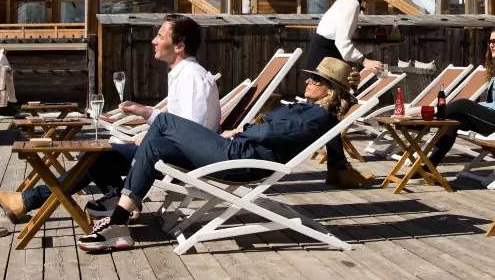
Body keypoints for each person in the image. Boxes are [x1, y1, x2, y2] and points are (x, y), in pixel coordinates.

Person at [77, 57, 355, 251]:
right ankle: (121, 219)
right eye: (311, 76)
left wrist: (240, 131)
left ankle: (119, 215)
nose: (308, 80)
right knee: (155, 145)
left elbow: (271, 132)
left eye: (316, 79)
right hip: (238, 151)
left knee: (164, 122)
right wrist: (244, 130)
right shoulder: (309, 110)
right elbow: (271, 129)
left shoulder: (318, 117)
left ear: (330, 89)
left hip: (241, 159)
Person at [0, 14, 220, 222]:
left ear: (179, 46)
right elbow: (179, 124)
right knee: (94, 153)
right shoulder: (182, 74)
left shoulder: (192, 77)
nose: (154, 41)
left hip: (180, 162)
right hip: (168, 154)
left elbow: (193, 133)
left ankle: (32, 200)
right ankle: (109, 197)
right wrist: (146, 112)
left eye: (161, 37)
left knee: (94, 155)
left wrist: (151, 140)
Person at [304, 0, 387, 188]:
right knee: (332, 113)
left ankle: (338, 169)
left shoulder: (348, 1)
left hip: (323, 59)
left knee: (329, 116)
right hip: (324, 63)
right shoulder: (352, 4)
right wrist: (365, 61)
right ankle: (338, 169)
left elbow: (340, 41)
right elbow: (342, 43)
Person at [426, 25, 495, 169]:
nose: (491, 45)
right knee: (453, 123)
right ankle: (428, 167)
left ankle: (425, 120)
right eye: (490, 41)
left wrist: (479, 106)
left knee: (463, 105)